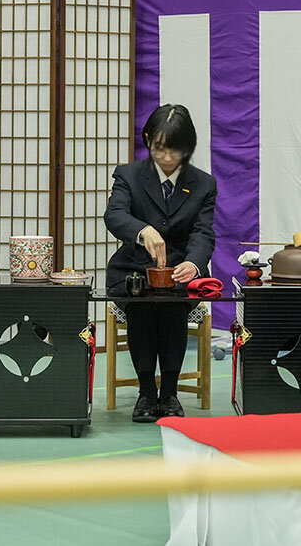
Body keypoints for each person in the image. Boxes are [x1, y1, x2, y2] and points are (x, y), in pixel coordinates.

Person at [104, 104, 217, 422]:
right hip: (134, 270)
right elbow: (115, 214)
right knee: (141, 303)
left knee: (171, 305)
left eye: (176, 150)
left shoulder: (204, 184)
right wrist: (142, 230)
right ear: (147, 140)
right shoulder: (128, 175)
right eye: (160, 148)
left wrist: (194, 264)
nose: (167, 158)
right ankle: (145, 393)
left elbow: (203, 233)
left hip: (180, 273)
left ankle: (169, 394)